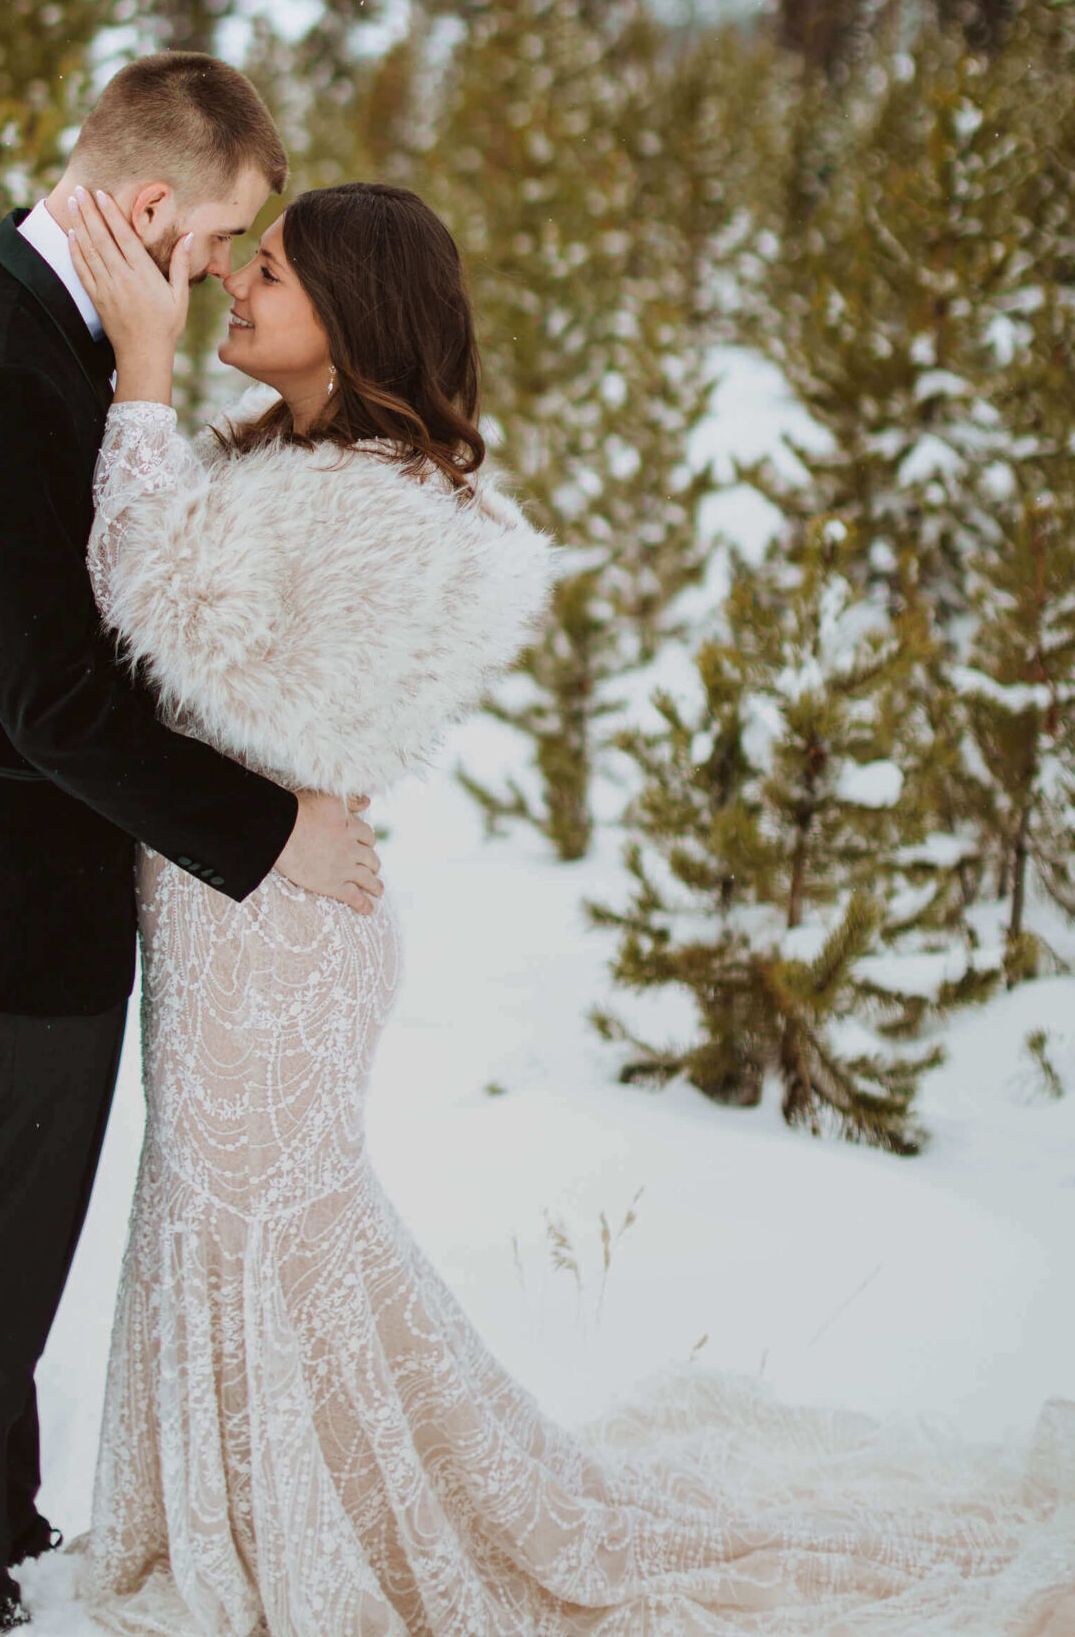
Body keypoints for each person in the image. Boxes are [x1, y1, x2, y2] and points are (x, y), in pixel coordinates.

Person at [67, 178, 1075, 1637]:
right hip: (233, 908)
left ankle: (310, 1530)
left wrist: (139, 378)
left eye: (269, 275)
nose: (240, 288)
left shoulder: (379, 506)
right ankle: (239, 1505)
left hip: (275, 938)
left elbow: (161, 611)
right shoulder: (283, 461)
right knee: (226, 1220)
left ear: (347, 325)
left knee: (259, 1228)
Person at [0, 54, 383, 1637]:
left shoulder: (44, 316)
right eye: (214, 243)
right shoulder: (7, 367)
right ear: (146, 209)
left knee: (1, 1260)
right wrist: (270, 832)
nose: (212, 277)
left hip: (16, 887)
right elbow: (52, 701)